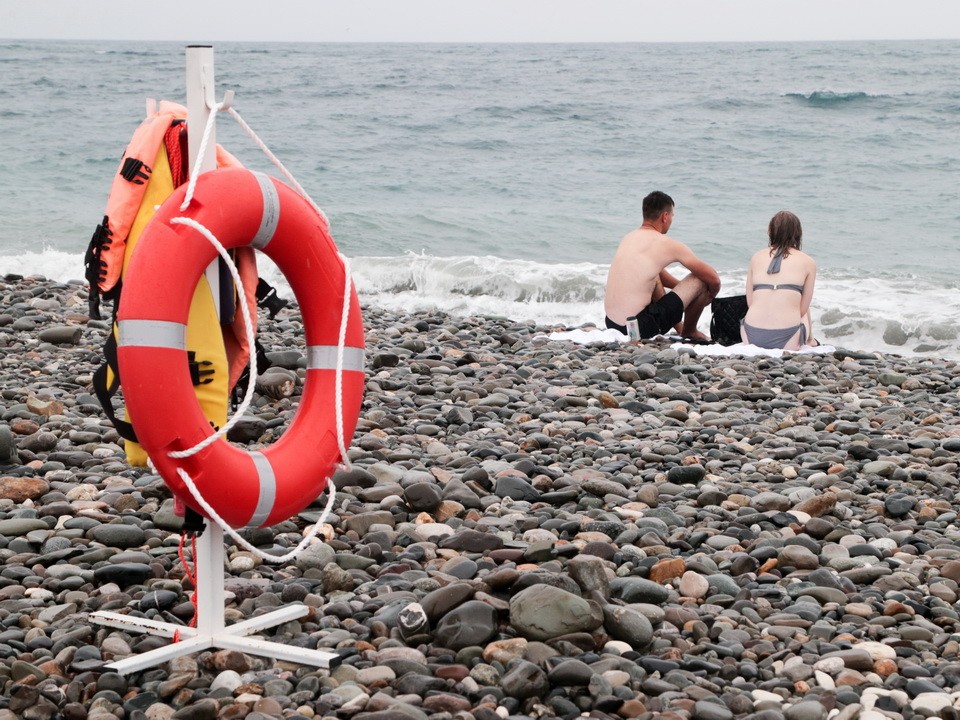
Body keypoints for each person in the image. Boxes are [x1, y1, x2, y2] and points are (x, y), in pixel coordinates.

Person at [604, 191, 720, 341]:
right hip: (639, 328)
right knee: (700, 280)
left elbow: (653, 273)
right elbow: (713, 279)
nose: (671, 219)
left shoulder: (629, 237)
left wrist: (684, 290)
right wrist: (709, 295)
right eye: (672, 216)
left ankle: (679, 327)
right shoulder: (665, 243)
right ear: (665, 216)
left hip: (612, 324)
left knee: (654, 275)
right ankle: (689, 331)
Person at [740, 210, 817, 349]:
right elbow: (803, 309)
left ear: (770, 231)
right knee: (799, 299)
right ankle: (811, 340)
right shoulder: (808, 262)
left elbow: (750, 302)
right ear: (798, 233)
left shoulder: (756, 257)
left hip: (750, 335)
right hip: (789, 338)